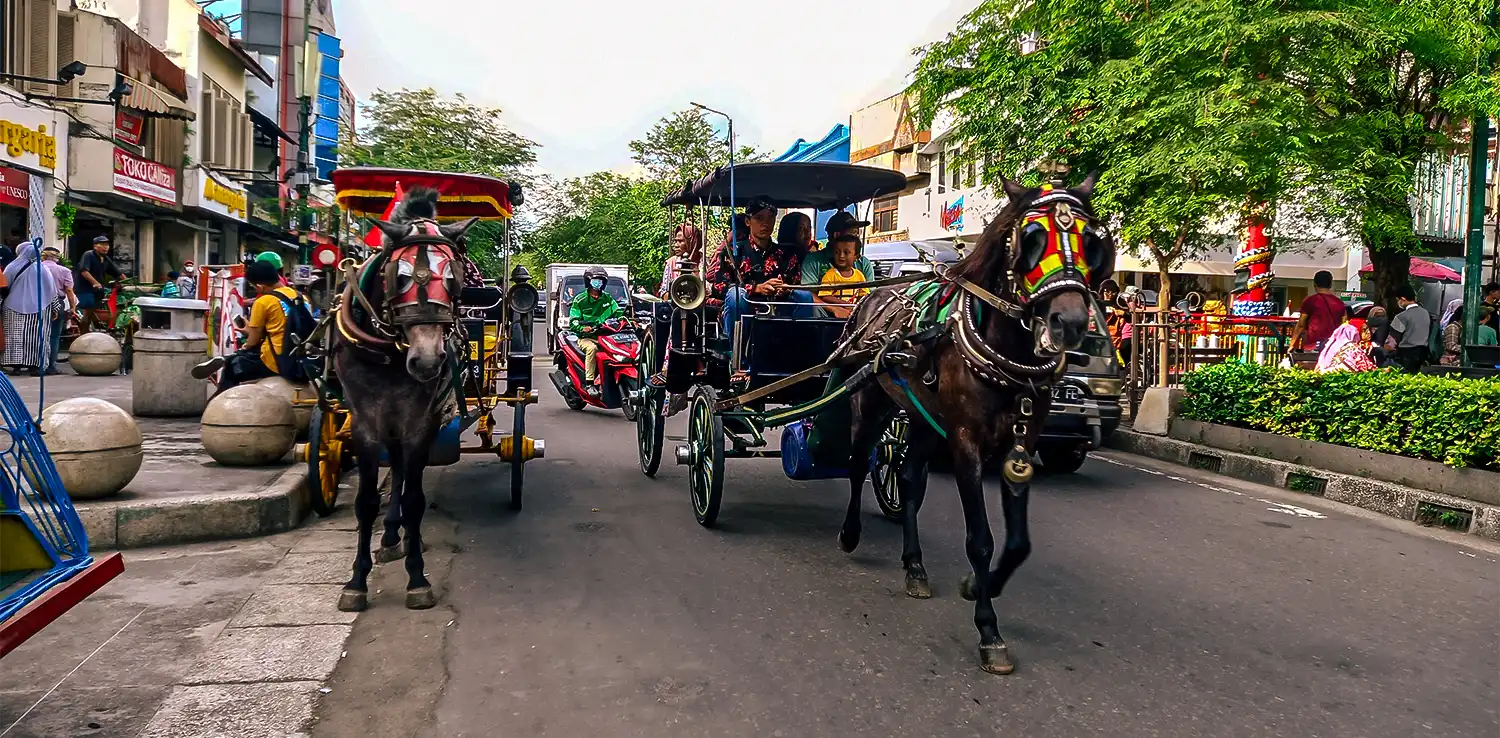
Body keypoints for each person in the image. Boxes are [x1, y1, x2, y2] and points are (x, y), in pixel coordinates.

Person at [190, 260, 302, 392]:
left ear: (259, 287)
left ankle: (222, 400)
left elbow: (253, 341)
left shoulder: (263, 301)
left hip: (276, 362)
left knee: (234, 364)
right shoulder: (298, 296)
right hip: (298, 358)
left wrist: (245, 344)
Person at [708, 200, 812, 341]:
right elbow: (719, 288)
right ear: (747, 221)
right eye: (759, 218)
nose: (765, 223)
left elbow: (794, 284)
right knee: (735, 295)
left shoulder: (786, 254)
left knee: (804, 296)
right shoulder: (732, 252)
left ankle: (800, 352)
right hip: (743, 315)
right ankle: (738, 355)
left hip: (777, 311)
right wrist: (756, 289)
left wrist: (784, 288)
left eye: (770, 218)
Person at [568, 266, 625, 398]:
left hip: (605, 336)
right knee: (592, 349)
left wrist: (627, 321)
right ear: (588, 281)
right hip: (586, 338)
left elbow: (618, 313)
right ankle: (589, 383)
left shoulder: (607, 298)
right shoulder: (580, 299)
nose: (598, 283)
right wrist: (583, 328)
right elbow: (573, 321)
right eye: (595, 280)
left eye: (601, 280)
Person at [1, 242, 57, 375]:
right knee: (37, 337)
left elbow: (4, 287)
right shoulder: (43, 269)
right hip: (40, 308)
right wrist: (55, 308)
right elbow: (51, 290)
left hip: (12, 308)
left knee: (15, 337)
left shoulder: (12, 267)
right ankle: (36, 365)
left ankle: (16, 366)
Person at [800, 211, 875, 299]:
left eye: (857, 233)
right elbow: (809, 294)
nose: (857, 237)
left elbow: (871, 295)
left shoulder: (863, 263)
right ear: (837, 235)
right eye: (853, 233)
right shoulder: (813, 261)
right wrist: (836, 309)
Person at [1289, 270, 1349, 351]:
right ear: (1330, 284)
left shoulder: (1310, 301)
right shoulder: (1340, 303)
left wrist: (1292, 344)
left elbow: (1301, 325)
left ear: (1314, 284)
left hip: (1313, 346)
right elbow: (1344, 325)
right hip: (1332, 347)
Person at [76, 234, 124, 332]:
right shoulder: (88, 255)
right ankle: (83, 335)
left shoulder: (105, 259)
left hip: (98, 291)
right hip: (85, 289)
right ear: (95, 246)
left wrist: (127, 283)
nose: (105, 247)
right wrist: (95, 283)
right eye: (102, 245)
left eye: (107, 245)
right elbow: (84, 271)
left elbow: (117, 273)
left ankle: (91, 332)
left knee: (94, 312)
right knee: (87, 312)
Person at [40, 245, 76, 375]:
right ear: (57, 257)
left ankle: (36, 363)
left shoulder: (35, 268)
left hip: (37, 302)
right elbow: (69, 290)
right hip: (58, 302)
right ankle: (51, 366)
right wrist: (73, 307)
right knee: (54, 336)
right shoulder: (64, 271)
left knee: (38, 334)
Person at [815, 234, 869, 319]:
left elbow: (863, 294)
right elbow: (825, 296)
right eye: (837, 252)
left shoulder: (859, 275)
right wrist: (844, 304)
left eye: (846, 252)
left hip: (852, 314)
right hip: (833, 316)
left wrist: (856, 307)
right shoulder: (830, 275)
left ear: (857, 257)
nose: (841, 256)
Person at [1389, 285, 1432, 373]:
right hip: (1424, 353)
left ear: (1403, 299)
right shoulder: (1426, 313)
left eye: (1398, 300)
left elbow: (1393, 339)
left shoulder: (1401, 317)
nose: (1398, 303)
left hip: (1406, 353)